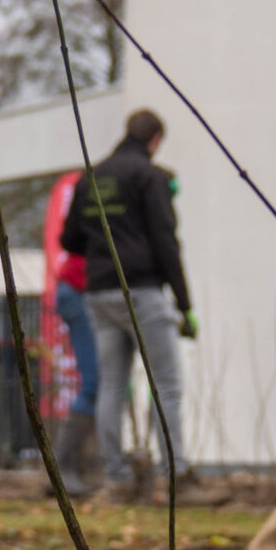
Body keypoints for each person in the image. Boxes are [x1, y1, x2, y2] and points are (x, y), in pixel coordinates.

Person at [59, 109, 195, 497]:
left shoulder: (91, 177)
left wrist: (103, 244)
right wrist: (184, 304)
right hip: (142, 290)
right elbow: (166, 241)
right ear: (155, 140)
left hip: (99, 293)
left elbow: (70, 240)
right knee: (165, 383)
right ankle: (174, 477)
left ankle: (116, 480)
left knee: (111, 387)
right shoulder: (149, 176)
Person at [49, 173, 101, 492]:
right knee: (94, 381)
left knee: (104, 382)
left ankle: (80, 469)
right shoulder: (102, 206)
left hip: (81, 292)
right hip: (78, 291)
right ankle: (62, 469)